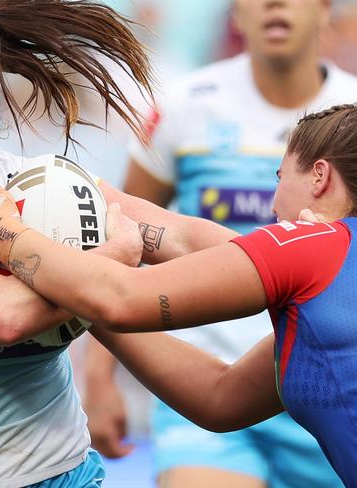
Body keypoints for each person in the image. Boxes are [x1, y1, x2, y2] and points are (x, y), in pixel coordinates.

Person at [0, 1, 246, 486]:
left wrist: (299, 254)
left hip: (66, 473)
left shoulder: (42, 184)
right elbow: (3, 317)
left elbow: (180, 236)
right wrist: (110, 261)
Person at [0, 102, 357, 487]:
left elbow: (120, 299)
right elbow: (220, 398)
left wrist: (4, 233)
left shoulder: (314, 244)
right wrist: (79, 301)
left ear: (319, 177)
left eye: (279, 177)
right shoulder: (316, 320)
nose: (273, 203)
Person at [86, 0, 357, 486]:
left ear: (325, 10)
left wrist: (15, 239)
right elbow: (118, 226)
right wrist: (98, 378)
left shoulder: (350, 113)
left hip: (323, 388)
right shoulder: (186, 104)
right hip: (211, 385)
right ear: (234, 14)